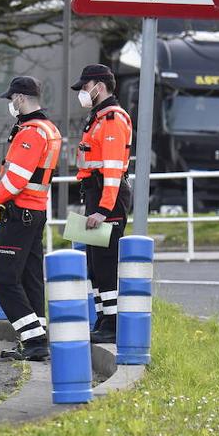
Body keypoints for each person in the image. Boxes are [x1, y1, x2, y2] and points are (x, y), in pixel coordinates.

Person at [0, 76, 62, 362]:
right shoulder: (49, 129)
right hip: (36, 212)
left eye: (10, 99)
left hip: (20, 213)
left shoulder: (30, 131)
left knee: (3, 278)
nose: (10, 104)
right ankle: (36, 337)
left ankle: (34, 339)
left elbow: (16, 178)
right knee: (30, 279)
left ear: (19, 98)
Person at [73, 63, 134, 343]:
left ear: (99, 85)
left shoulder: (111, 120)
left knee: (106, 263)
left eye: (85, 87)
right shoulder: (98, 117)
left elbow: (111, 171)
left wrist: (102, 210)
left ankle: (112, 324)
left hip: (106, 199)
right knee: (95, 265)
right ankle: (102, 320)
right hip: (97, 196)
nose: (82, 92)